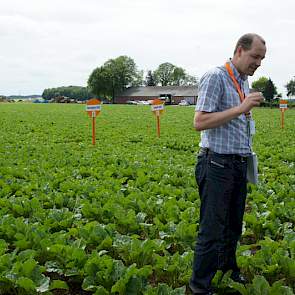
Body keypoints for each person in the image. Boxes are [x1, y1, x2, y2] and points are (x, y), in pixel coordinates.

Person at [189, 33, 266, 295]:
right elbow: (199, 122)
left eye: (262, 59)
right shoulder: (216, 77)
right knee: (212, 229)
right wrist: (241, 108)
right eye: (255, 56)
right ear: (239, 51)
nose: (258, 63)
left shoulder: (244, 82)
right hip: (216, 163)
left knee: (233, 226)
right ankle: (201, 286)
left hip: (237, 163)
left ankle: (227, 271)